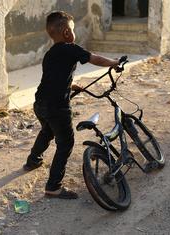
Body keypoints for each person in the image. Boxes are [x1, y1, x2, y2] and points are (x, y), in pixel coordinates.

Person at [23, 11, 120, 199]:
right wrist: (114, 63)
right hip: (57, 107)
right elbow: (95, 58)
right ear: (67, 32)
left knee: (47, 131)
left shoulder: (50, 54)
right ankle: (53, 186)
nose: (74, 33)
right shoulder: (71, 48)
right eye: (73, 30)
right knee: (66, 143)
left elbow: (54, 77)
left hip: (40, 103)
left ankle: (33, 160)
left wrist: (71, 85)